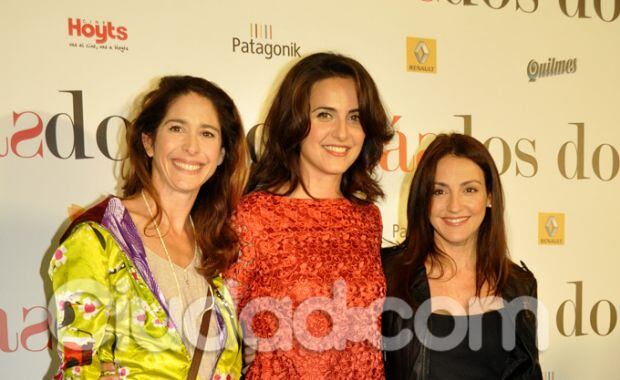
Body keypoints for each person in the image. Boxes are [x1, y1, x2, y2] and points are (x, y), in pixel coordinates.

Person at [48, 75, 247, 379]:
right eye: (177, 128)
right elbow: (77, 361)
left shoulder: (217, 245)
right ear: (149, 141)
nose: (191, 147)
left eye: (207, 133)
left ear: (221, 154)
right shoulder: (99, 236)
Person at [225, 52, 394, 378]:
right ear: (295, 122)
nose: (342, 133)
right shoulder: (254, 216)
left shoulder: (366, 219)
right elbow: (215, 330)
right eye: (325, 115)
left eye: (355, 117)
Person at [382, 133, 542, 380]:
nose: (454, 206)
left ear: (489, 196)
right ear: (423, 199)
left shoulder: (518, 285)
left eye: (469, 189)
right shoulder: (387, 274)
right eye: (439, 191)